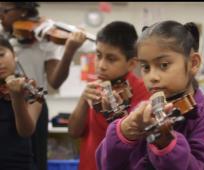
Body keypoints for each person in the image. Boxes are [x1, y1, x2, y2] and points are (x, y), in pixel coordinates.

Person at [95, 20, 204, 170]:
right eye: (145, 67)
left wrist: (167, 145)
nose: (152, 77)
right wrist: (124, 132)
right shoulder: (144, 110)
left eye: (164, 65)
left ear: (193, 63)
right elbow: (105, 165)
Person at [0, 2, 87, 170]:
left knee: (35, 158)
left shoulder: (45, 37)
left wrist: (69, 51)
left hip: (32, 101)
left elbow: (55, 81)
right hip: (3, 101)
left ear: (23, 10)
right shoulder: (3, 34)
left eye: (5, 11)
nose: (1, 15)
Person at [68, 21, 150, 170]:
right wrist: (83, 99)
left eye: (111, 59)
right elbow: (74, 132)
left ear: (131, 63)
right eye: (98, 55)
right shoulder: (94, 86)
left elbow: (136, 143)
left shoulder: (142, 91)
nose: (101, 65)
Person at [0, 35, 43, 170]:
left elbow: (26, 131)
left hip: (19, 165)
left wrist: (17, 97)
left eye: (1, 54)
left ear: (14, 55)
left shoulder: (31, 90)